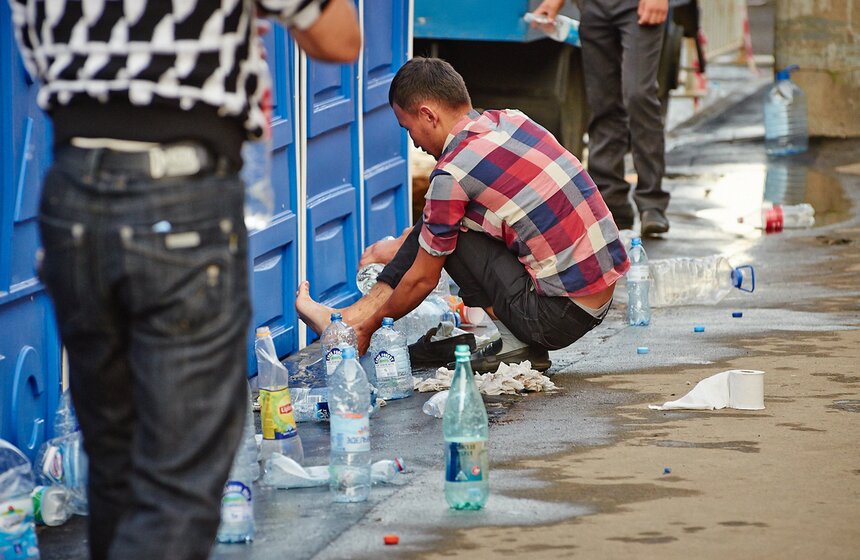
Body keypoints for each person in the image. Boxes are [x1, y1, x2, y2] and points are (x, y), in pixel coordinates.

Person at [7, 0, 359, 558]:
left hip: (72, 196)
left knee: (115, 464)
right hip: (180, 196)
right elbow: (340, 38)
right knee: (178, 478)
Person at [296, 57, 629, 372]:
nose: (414, 143)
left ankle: (354, 323)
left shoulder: (452, 173)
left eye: (408, 129)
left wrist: (370, 328)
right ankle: (350, 318)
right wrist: (402, 245)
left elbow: (422, 280)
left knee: (445, 233)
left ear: (428, 115)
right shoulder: (512, 121)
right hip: (598, 297)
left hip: (556, 317)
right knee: (440, 221)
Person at [534, 0, 672, 236]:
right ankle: (612, 203)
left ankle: (652, 203)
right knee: (603, 103)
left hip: (637, 7)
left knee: (638, 95)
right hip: (594, 7)